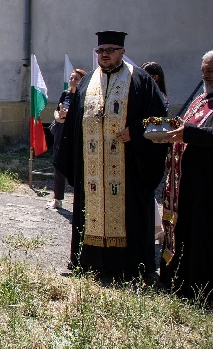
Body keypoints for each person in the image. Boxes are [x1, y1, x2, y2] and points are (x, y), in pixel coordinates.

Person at [54, 31, 167, 279]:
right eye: (100, 51)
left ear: (122, 52)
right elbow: (73, 123)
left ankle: (132, 268)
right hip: (92, 169)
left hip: (128, 169)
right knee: (89, 214)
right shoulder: (87, 82)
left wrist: (136, 131)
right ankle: (90, 264)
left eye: (110, 50)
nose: (104, 55)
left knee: (131, 217)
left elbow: (160, 121)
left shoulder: (141, 80)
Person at [158, 50, 213, 297]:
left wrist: (188, 133)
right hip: (186, 185)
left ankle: (198, 289)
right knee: (184, 234)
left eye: (210, 70)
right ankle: (178, 281)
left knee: (201, 239)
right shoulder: (201, 99)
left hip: (206, 186)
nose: (205, 75)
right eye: (203, 70)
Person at [47, 68, 86, 210]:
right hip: (61, 130)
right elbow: (58, 109)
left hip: (75, 134)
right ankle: (57, 199)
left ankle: (80, 200)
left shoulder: (84, 95)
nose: (72, 80)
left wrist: (69, 116)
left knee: (76, 165)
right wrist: (58, 116)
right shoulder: (66, 94)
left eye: (76, 78)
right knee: (58, 163)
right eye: (71, 78)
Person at [142, 61, 168, 240]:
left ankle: (157, 226)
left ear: (155, 77)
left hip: (151, 144)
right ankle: (156, 225)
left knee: (146, 186)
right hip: (144, 142)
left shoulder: (159, 96)